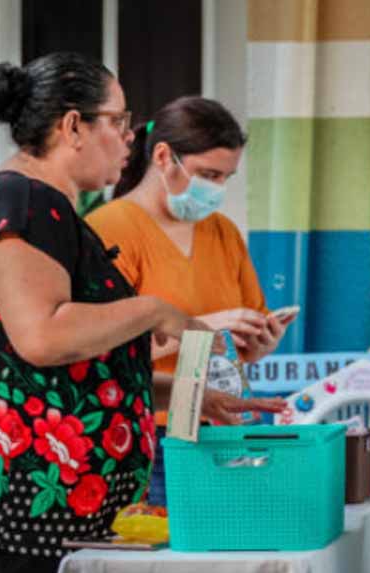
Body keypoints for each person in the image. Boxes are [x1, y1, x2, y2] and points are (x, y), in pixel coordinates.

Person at [0, 52, 284, 573]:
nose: (130, 136)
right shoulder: (20, 201)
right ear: (73, 126)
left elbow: (68, 365)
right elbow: (44, 336)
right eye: (118, 120)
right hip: (19, 503)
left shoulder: (44, 208)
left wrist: (184, 392)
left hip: (47, 504)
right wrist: (155, 311)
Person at [87, 96, 294, 375]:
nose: (218, 188)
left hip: (222, 411)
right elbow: (97, 350)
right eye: (208, 175)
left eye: (225, 177)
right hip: (151, 413)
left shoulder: (223, 232)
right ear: (163, 157)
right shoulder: (109, 230)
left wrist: (258, 344)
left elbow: (242, 339)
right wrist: (202, 329)